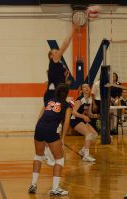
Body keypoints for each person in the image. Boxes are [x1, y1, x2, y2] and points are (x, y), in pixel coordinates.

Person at [29, 84, 71, 196]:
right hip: (51, 130)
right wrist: (63, 138)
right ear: (67, 94)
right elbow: (66, 123)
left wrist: (40, 131)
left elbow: (40, 117)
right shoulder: (66, 105)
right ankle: (55, 188)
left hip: (39, 128)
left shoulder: (49, 101)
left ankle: (33, 184)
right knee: (59, 159)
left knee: (38, 155)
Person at [43, 25, 76, 166]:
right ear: (52, 55)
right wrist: (74, 28)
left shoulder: (57, 66)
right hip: (52, 96)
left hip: (56, 94)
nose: (58, 52)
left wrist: (66, 79)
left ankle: (48, 151)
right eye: (55, 51)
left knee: (55, 123)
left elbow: (61, 83)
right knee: (54, 124)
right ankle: (48, 151)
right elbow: (65, 43)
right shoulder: (55, 60)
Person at [70, 83, 98, 162]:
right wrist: (84, 117)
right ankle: (86, 155)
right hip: (74, 119)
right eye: (84, 87)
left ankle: (83, 150)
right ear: (82, 90)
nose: (86, 88)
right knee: (88, 134)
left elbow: (89, 114)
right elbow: (73, 112)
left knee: (94, 134)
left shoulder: (89, 100)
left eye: (88, 86)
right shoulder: (80, 99)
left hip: (81, 119)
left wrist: (96, 116)